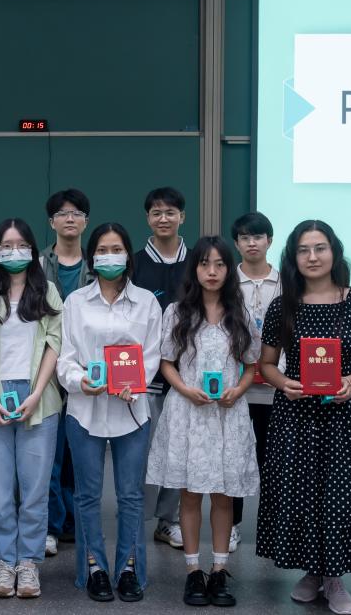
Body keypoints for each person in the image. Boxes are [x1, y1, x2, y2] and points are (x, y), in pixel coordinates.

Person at [256, 220, 351, 615]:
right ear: (293, 257)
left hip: (343, 416)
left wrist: (349, 382)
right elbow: (266, 364)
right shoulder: (282, 305)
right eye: (303, 250)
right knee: (302, 494)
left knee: (340, 494)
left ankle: (335, 577)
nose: (312, 257)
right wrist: (284, 383)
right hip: (296, 416)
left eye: (320, 248)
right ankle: (312, 572)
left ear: (334, 252)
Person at [146, 236, 259, 607]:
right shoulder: (177, 312)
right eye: (204, 264)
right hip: (188, 411)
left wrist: (238, 389)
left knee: (224, 496)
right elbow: (166, 362)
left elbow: (251, 365)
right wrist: (184, 388)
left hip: (227, 413)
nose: (212, 271)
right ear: (193, 268)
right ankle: (193, 570)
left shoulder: (240, 314)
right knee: (190, 495)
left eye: (220, 264)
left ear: (229, 270)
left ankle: (220, 570)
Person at [57, 223, 162, 603]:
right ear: (92, 257)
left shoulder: (147, 302)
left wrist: (134, 382)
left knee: (131, 496)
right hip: (84, 410)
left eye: (116, 249)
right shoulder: (75, 302)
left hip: (132, 411)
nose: (109, 256)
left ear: (128, 255)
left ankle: (128, 569)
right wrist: (79, 380)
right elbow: (65, 357)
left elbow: (151, 355)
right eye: (102, 250)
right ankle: (94, 568)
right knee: (86, 495)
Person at [0, 219, 64, 598]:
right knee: (1, 489)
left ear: (33, 249)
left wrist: (37, 393)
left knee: (35, 489)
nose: (14, 252)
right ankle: (6, 563)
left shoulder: (47, 291)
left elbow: (54, 343)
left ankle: (29, 564)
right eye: (6, 246)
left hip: (39, 398)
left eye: (21, 244)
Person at [130, 187, 191, 549]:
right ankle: (136, 517)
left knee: (179, 450)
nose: (163, 218)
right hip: (144, 376)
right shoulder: (134, 263)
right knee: (142, 450)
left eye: (170, 212)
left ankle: (169, 521)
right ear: (148, 218)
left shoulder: (198, 262)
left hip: (188, 376)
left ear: (182, 216)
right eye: (156, 212)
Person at [40, 188, 94, 556]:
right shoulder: (37, 264)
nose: (70, 218)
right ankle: (51, 526)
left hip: (87, 370)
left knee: (80, 453)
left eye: (76, 213)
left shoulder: (99, 262)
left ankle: (77, 522)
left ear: (86, 221)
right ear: (52, 222)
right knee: (50, 453)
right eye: (62, 213)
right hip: (47, 369)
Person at [230, 211, 281, 551]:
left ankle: (272, 530)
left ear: (269, 241)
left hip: (276, 387)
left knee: (272, 460)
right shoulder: (226, 282)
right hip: (237, 387)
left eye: (258, 236)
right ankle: (231, 525)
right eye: (245, 237)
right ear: (236, 243)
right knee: (235, 457)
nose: (252, 243)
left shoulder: (287, 282)